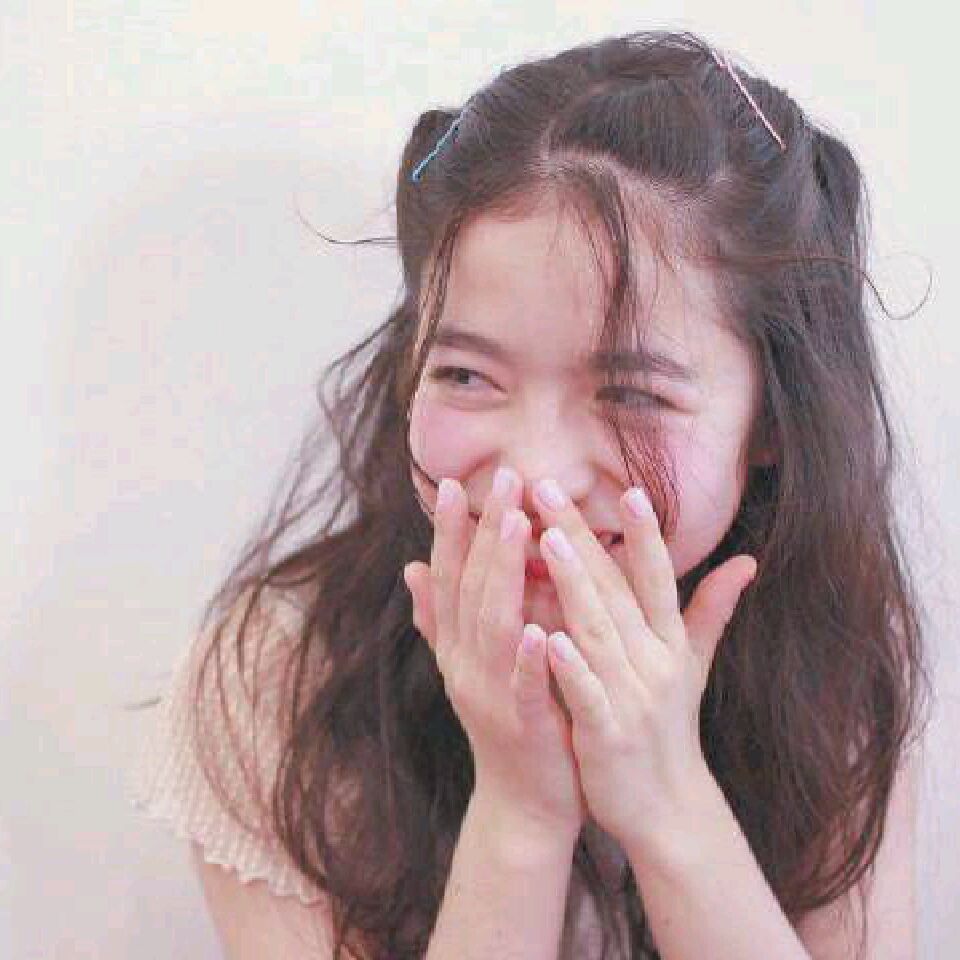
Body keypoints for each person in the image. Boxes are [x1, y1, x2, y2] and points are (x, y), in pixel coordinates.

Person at [128, 28, 932, 960]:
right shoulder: (278, 676)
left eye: (633, 394)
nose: (536, 478)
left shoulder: (831, 660)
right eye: (467, 376)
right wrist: (520, 810)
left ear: (773, 421)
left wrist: (668, 802)